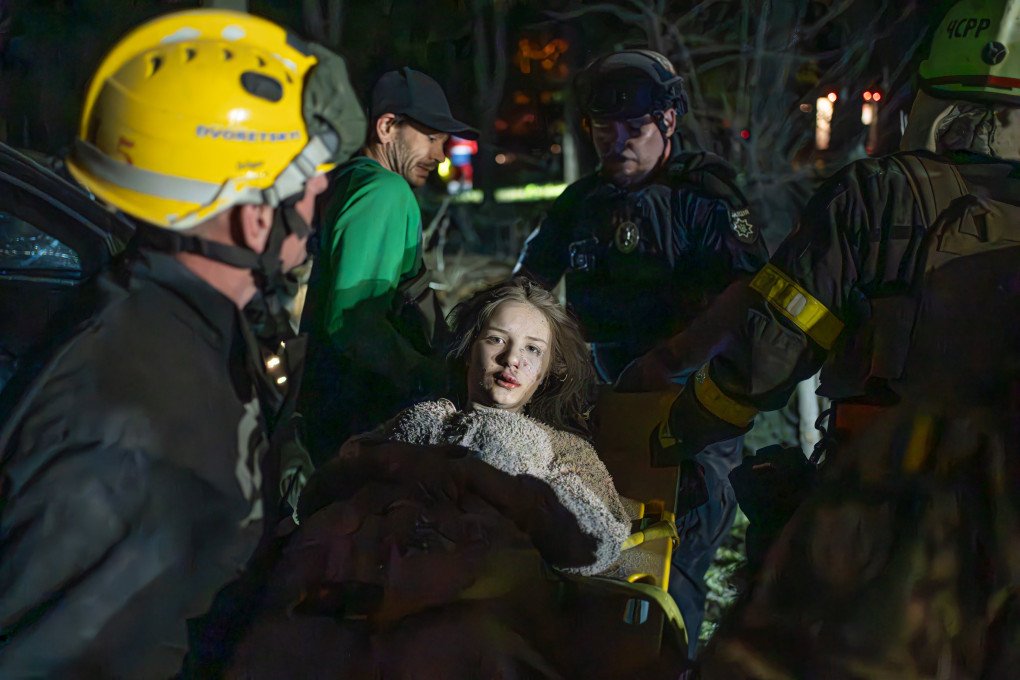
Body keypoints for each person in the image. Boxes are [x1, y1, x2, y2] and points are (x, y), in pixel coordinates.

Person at [0, 10, 364, 677]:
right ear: (256, 218)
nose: (320, 202)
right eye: (312, 188)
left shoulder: (197, 332)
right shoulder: (125, 424)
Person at [636, 0, 1020, 464]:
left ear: (931, 96)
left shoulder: (875, 196)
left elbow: (767, 356)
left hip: (883, 487)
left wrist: (672, 431)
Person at [514, 49, 769, 652]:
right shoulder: (580, 202)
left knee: (670, 568)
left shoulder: (705, 197)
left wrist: (668, 360)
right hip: (598, 410)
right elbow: (526, 287)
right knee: (593, 562)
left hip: (689, 415)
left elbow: (748, 293)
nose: (618, 141)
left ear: (668, 121)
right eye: (605, 128)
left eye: (635, 127)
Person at [375, 277, 631, 575]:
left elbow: (600, 542)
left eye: (532, 349)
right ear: (469, 349)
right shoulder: (422, 421)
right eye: (496, 339)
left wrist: (506, 492)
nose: (512, 359)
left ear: (546, 372)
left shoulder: (566, 450)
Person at [300, 67, 479, 465]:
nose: (440, 155)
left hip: (325, 405)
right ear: (386, 127)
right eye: (431, 138)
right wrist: (432, 379)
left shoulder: (347, 181)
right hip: (362, 412)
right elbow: (353, 321)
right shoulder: (385, 190)